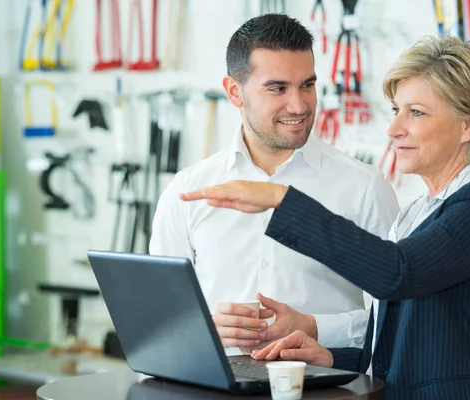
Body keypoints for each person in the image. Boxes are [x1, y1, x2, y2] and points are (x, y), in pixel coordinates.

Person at [180, 35, 470, 399]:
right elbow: (402, 340)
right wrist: (331, 355)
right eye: (396, 111)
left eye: (417, 112)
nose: (394, 129)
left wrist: (281, 199)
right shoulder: (418, 213)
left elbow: (397, 272)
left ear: (469, 124)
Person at [149, 13, 400, 355]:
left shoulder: (365, 188)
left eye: (307, 85)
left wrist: (315, 327)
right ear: (234, 92)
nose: (299, 105)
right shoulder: (187, 192)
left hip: (326, 390)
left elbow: (396, 317)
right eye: (278, 88)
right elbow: (159, 318)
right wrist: (203, 328)